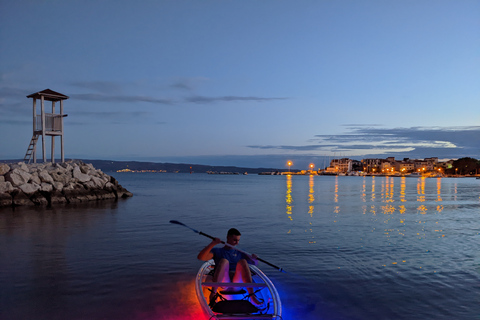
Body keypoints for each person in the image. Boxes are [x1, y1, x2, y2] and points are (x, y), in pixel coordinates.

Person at [197, 228, 263, 306]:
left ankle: (252, 296)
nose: (236, 243)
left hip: (237, 283)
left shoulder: (241, 252)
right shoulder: (218, 251)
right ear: (228, 238)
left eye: (238, 240)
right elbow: (201, 257)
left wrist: (254, 258)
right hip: (223, 282)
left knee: (243, 261)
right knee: (224, 261)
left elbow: (255, 263)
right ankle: (213, 294)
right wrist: (213, 243)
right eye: (235, 240)